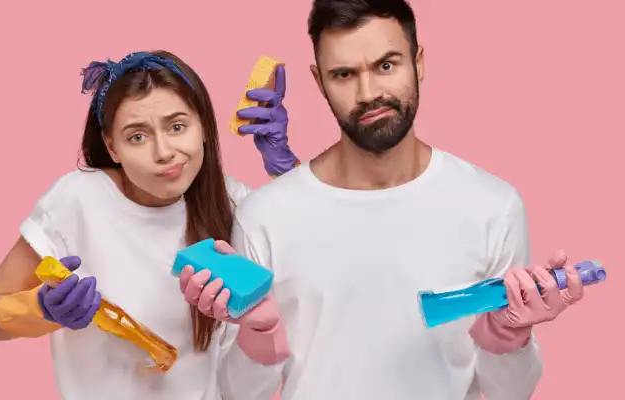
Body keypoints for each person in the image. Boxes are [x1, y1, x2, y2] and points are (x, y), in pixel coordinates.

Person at [179, 1, 588, 399]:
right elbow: (239, 394)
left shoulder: (492, 207)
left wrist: (509, 336)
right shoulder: (265, 215)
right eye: (343, 74)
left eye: (386, 65)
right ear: (319, 82)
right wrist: (259, 336)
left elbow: (511, 393)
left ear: (419, 63)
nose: (369, 92)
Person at [0, 50, 296, 399]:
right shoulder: (78, 200)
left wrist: (287, 170)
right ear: (112, 147)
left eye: (177, 127)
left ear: (203, 127)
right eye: (137, 136)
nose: (164, 152)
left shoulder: (235, 205)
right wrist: (41, 309)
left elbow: (331, 262)